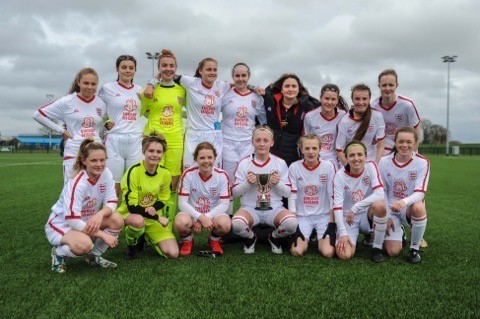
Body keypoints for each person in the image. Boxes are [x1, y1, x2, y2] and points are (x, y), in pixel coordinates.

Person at [45, 139, 123, 273]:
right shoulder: (78, 183)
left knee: (117, 219)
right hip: (62, 224)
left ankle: (94, 256)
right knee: (84, 245)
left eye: (102, 160)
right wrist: (103, 236)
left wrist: (100, 214)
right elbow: (73, 220)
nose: (99, 164)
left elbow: (112, 201)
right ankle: (58, 253)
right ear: (83, 160)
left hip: (85, 220)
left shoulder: (106, 173)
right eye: (94, 160)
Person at [145, 57, 231, 170]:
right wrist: (151, 84)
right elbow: (167, 73)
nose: (212, 72)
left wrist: (254, 88)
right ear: (200, 71)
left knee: (214, 171)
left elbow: (240, 84)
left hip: (214, 134)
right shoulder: (190, 82)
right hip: (194, 134)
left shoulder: (222, 86)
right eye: (208, 69)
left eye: (215, 70)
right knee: (189, 171)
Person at [231, 126, 297, 254]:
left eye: (266, 140)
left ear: (272, 142)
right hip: (250, 208)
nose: (262, 144)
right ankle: (251, 237)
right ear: (252, 142)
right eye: (258, 140)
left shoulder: (280, 163)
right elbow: (234, 193)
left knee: (291, 224)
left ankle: (274, 237)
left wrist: (277, 183)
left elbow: (287, 192)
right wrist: (247, 183)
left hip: (274, 208)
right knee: (237, 225)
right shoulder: (244, 163)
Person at [34, 68, 107, 183]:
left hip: (96, 153)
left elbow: (104, 123)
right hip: (74, 152)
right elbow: (38, 115)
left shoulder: (101, 103)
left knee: (94, 191)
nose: (90, 87)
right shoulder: (67, 101)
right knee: (71, 189)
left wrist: (108, 125)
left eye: (93, 84)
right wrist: (61, 130)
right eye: (86, 83)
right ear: (78, 82)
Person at [140, 49, 186, 226]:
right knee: (151, 182)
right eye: (164, 65)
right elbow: (144, 112)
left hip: (175, 141)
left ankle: (166, 224)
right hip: (154, 141)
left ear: (176, 68)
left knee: (172, 184)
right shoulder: (149, 90)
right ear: (158, 68)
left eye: (171, 66)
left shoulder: (182, 90)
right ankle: (147, 223)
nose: (168, 69)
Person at [117, 133, 178, 259]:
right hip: (132, 214)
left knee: (173, 253)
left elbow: (163, 198)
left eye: (159, 152)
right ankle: (132, 244)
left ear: (163, 153)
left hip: (152, 217)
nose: (155, 155)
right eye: (151, 151)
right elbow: (132, 206)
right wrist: (157, 217)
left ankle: (146, 236)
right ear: (144, 151)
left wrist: (154, 208)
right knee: (138, 221)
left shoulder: (165, 173)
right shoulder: (133, 172)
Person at [378, 126, 430, 263]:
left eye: (409, 142)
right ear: (395, 143)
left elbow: (420, 192)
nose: (404, 145)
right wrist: (386, 215)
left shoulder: (422, 162)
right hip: (390, 206)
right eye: (401, 141)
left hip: (409, 206)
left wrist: (404, 202)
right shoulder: (384, 161)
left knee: (419, 207)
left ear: (415, 143)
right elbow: (381, 190)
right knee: (392, 251)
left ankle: (414, 249)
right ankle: (400, 230)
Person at [221, 62, 266, 214]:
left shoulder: (256, 96)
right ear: (233, 77)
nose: (240, 79)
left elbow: (263, 121)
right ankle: (228, 216)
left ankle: (246, 216)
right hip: (227, 142)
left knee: (249, 180)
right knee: (229, 181)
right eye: (237, 76)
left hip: (248, 144)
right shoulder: (225, 93)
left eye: (243, 76)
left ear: (249, 77)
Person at [333, 141, 386, 261]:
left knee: (380, 206)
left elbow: (380, 193)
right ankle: (357, 235)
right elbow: (337, 206)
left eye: (360, 154)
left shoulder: (371, 166)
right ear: (346, 158)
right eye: (351, 155)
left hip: (366, 214)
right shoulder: (340, 175)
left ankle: (376, 248)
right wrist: (342, 233)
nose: (356, 158)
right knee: (344, 255)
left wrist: (355, 207)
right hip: (348, 218)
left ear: (366, 156)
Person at [175, 142, 231, 256]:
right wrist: (199, 217)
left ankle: (214, 240)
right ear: (196, 159)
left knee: (225, 225)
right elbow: (182, 203)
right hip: (192, 213)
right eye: (202, 157)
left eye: (210, 157)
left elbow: (225, 204)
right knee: (180, 223)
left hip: (213, 214)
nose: (206, 161)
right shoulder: (188, 174)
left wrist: (206, 218)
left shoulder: (222, 175)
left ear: (215, 158)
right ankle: (188, 240)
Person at [99, 55, 144, 196]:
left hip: (136, 140)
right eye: (124, 67)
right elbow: (97, 110)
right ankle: (112, 216)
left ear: (135, 70)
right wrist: (104, 123)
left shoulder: (140, 90)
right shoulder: (107, 88)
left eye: (131, 68)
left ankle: (132, 215)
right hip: (114, 140)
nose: (127, 70)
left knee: (134, 182)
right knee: (114, 183)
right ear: (117, 69)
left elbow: (148, 112)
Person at [288, 134, 337, 257]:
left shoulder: (328, 166)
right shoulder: (294, 167)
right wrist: (294, 222)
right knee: (296, 251)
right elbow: (292, 195)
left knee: (328, 253)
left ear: (320, 149)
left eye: (314, 148)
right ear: (301, 149)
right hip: (303, 216)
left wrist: (332, 223)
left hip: (323, 216)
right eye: (307, 148)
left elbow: (332, 194)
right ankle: (305, 236)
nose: (311, 152)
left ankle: (321, 237)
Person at [262, 74, 320, 167]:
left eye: (294, 86)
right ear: (281, 89)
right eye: (287, 86)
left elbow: (328, 107)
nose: (290, 89)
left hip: (294, 158)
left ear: (298, 89)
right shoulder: (270, 100)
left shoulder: (308, 106)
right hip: (271, 154)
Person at [371, 69, 422, 154]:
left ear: (396, 85)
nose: (387, 88)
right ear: (379, 86)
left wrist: (414, 151)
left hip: (404, 148)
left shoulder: (407, 105)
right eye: (384, 85)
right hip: (382, 150)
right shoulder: (372, 107)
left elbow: (416, 128)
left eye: (391, 85)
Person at [335, 83, 386, 166]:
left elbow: (381, 144)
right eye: (357, 99)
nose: (361, 102)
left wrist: (376, 164)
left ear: (369, 99)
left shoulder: (377, 116)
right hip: (351, 163)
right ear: (352, 99)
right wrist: (348, 167)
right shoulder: (344, 121)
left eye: (364, 99)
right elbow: (339, 149)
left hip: (370, 162)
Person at [303, 83, 349, 166]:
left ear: (337, 100)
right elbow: (306, 140)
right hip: (315, 157)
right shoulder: (310, 116)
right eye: (326, 98)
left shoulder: (343, 115)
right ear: (320, 98)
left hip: (335, 159)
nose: (329, 102)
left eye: (333, 99)